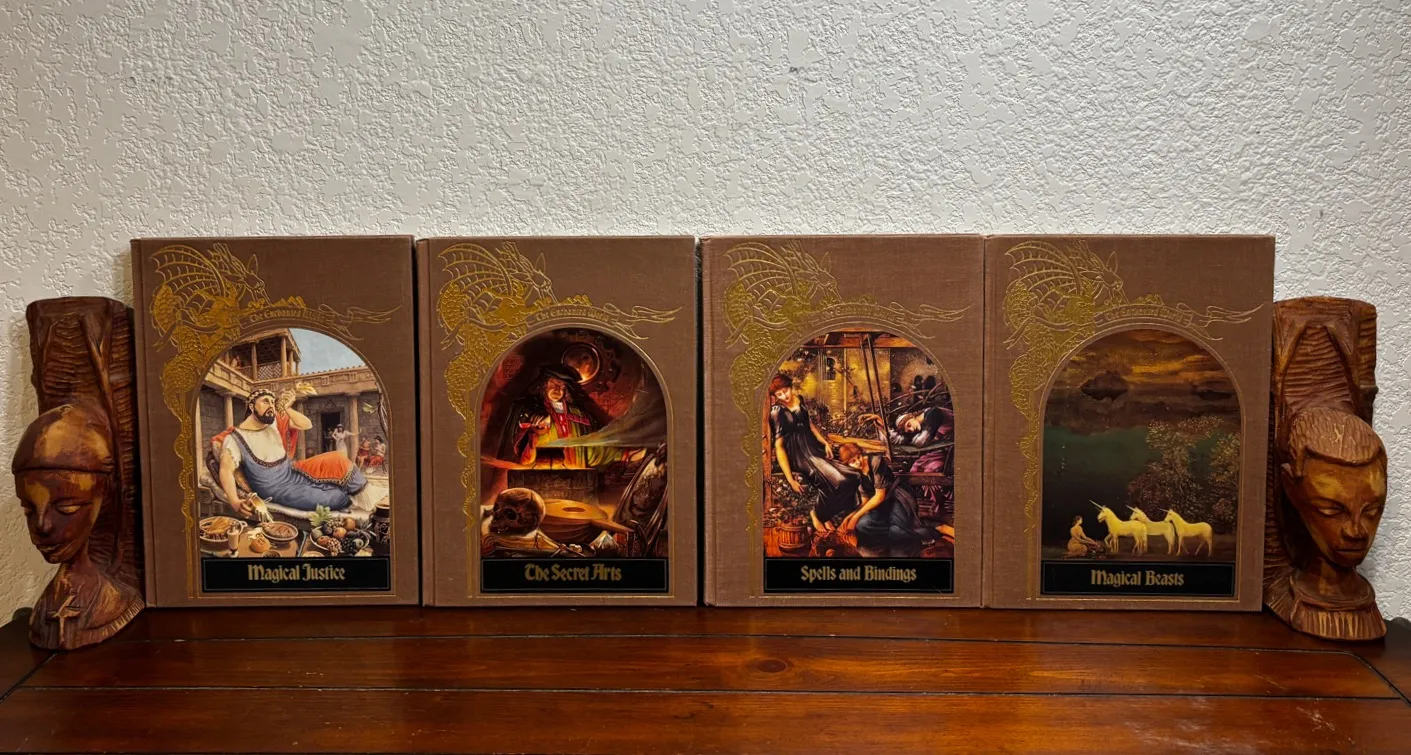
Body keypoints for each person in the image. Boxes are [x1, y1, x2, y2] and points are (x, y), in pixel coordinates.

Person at [211, 389, 377, 516]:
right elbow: (226, 470)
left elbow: (306, 424)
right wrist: (234, 501)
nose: (271, 406)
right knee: (334, 497)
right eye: (265, 401)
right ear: (252, 406)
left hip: (293, 470)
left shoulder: (272, 422)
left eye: (272, 402)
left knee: (338, 460)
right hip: (276, 488)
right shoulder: (235, 438)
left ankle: (368, 496)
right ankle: (349, 498)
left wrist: (286, 408)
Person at [767, 373, 861, 533]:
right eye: (779, 394)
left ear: (790, 387)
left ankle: (824, 515)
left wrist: (825, 443)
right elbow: (779, 446)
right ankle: (817, 515)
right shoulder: (777, 411)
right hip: (798, 454)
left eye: (785, 390)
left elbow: (809, 425)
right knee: (838, 480)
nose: (784, 396)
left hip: (813, 448)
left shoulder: (799, 399)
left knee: (854, 476)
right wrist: (790, 479)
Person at [497, 364, 638, 468]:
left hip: (575, 474)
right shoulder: (530, 408)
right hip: (539, 474)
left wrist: (622, 454)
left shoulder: (579, 414)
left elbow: (593, 445)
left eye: (562, 387)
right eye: (553, 384)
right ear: (544, 386)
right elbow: (517, 441)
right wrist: (533, 424)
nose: (557, 390)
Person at [836, 442, 946, 557]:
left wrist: (854, 518)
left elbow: (879, 496)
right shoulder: (857, 474)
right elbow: (865, 501)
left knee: (897, 532)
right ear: (848, 464)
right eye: (853, 461)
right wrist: (848, 518)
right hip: (881, 504)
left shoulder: (875, 461)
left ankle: (927, 537)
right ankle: (891, 542)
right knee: (863, 525)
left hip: (897, 496)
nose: (858, 462)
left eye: (858, 457)